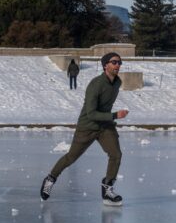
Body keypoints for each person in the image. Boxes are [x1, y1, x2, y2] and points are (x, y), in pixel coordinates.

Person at [40, 52, 128, 206]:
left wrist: (110, 118)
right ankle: (50, 179)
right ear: (105, 65)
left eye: (120, 63)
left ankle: (107, 188)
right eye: (114, 62)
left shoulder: (117, 82)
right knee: (71, 157)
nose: (118, 65)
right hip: (87, 126)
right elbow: (91, 113)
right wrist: (114, 115)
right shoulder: (96, 84)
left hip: (105, 126)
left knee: (116, 155)